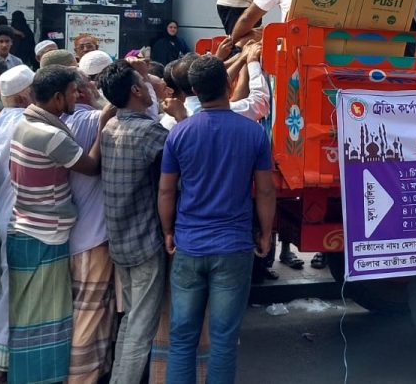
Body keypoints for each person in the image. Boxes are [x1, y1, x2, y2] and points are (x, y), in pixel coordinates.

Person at [159, 55, 276, 382]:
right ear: (227, 85)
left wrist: (168, 231)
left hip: (189, 244)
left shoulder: (180, 132)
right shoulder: (253, 133)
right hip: (234, 246)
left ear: (194, 91)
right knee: (224, 339)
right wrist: (265, 233)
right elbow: (265, 191)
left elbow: (166, 191)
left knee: (182, 337)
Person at [6, 65, 105, 384]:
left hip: (31, 229)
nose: (79, 97)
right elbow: (91, 166)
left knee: (33, 318)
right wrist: (104, 122)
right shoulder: (49, 135)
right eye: (74, 92)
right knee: (42, 320)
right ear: (59, 97)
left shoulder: (26, 124)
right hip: (44, 234)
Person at [98, 61, 179, 383]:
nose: (148, 89)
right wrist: (182, 117)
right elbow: (186, 159)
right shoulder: (149, 132)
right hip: (145, 242)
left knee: (131, 320)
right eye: (143, 84)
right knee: (140, 329)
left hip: (120, 241)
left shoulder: (110, 128)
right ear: (135, 90)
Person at [0, 65, 36, 382]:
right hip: (19, 214)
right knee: (13, 288)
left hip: (7, 211)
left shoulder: (1, 119)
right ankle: (0, 369)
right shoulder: (25, 122)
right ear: (24, 95)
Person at [63, 70, 116, 384]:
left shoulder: (59, 123)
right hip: (92, 238)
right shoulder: (94, 119)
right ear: (79, 92)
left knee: (90, 312)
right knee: (89, 314)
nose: (96, 88)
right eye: (90, 84)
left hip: (75, 234)